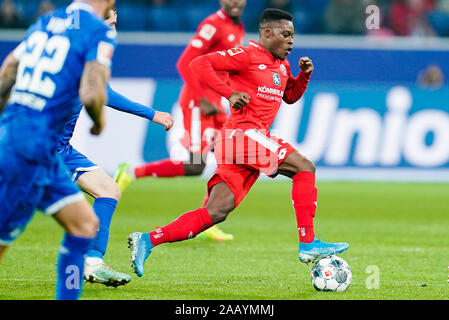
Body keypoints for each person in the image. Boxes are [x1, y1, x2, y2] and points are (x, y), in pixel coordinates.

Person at [126, 8, 349, 278]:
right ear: (267, 32)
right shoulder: (247, 55)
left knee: (216, 211)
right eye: (286, 35)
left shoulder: (282, 64)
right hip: (241, 136)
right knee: (304, 167)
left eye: (293, 36)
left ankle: (148, 239)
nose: (291, 41)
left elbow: (289, 96)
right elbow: (198, 64)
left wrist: (303, 76)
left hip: (241, 145)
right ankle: (308, 243)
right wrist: (229, 94)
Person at [0, 0, 116, 299]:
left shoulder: (46, 22)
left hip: (37, 147)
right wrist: (99, 122)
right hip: (30, 149)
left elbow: (8, 71)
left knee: (84, 225)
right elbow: (92, 92)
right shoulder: (98, 30)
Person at [56, 7, 174, 287]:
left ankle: (93, 263)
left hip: (59, 148)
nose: (114, 30)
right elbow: (100, 91)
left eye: (116, 23)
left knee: (108, 189)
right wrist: (152, 113)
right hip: (41, 148)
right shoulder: (84, 47)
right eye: (110, 22)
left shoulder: (62, 39)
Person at [115, 0, 246, 242]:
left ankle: (209, 218)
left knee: (228, 156)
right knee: (196, 165)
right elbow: (185, 61)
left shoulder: (238, 28)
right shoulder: (213, 24)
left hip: (216, 104)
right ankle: (132, 171)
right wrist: (201, 98)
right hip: (199, 105)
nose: (235, 1)